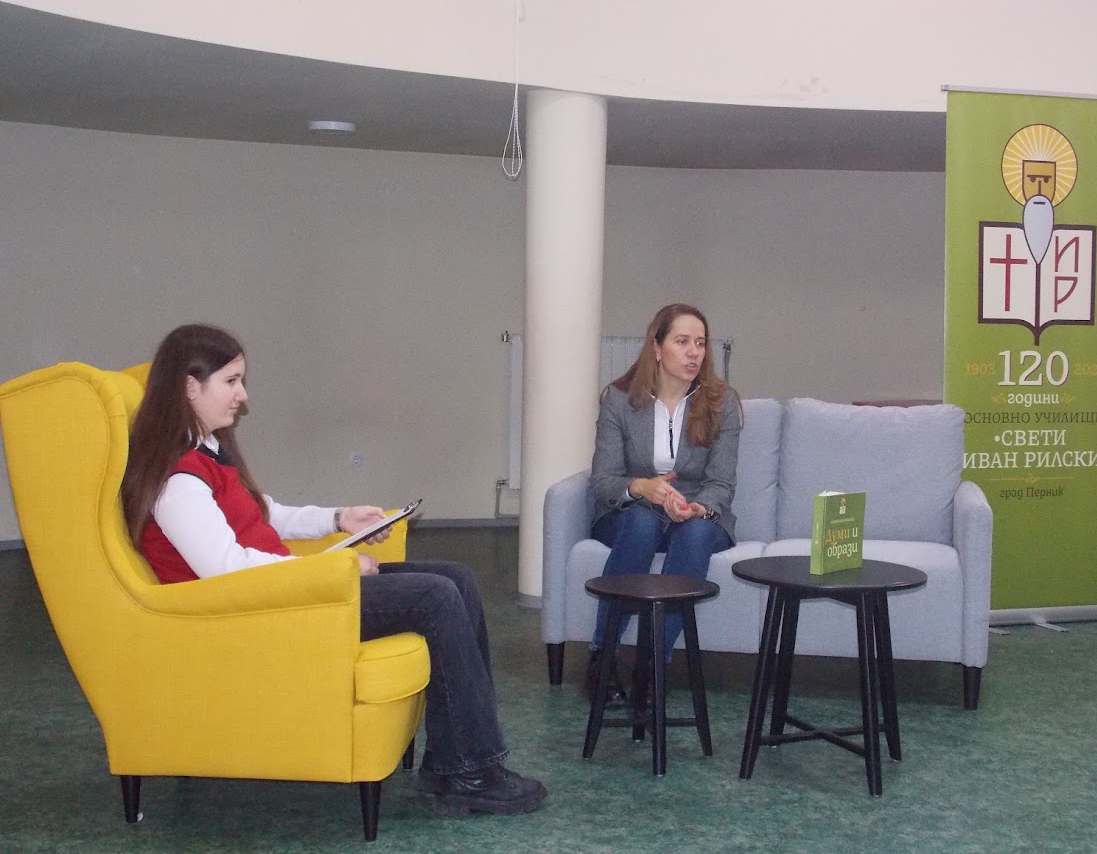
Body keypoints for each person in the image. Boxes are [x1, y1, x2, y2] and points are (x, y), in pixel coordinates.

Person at [120, 324, 546, 817]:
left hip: (280, 593)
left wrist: (340, 519)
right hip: (258, 612)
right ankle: (471, 774)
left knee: (458, 579)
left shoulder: (205, 453)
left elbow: (262, 512)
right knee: (436, 597)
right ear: (190, 387)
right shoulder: (178, 481)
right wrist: (333, 569)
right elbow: (225, 570)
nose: (243, 395)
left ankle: (456, 762)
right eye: (231, 381)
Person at [587, 303, 742, 706]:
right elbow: (603, 481)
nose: (694, 352)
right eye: (682, 341)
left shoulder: (722, 403)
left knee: (695, 535)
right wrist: (641, 487)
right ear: (657, 348)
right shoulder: (619, 401)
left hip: (695, 514)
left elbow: (721, 482)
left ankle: (653, 664)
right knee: (641, 524)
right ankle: (602, 658)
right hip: (630, 510)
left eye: (700, 343)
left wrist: (698, 508)